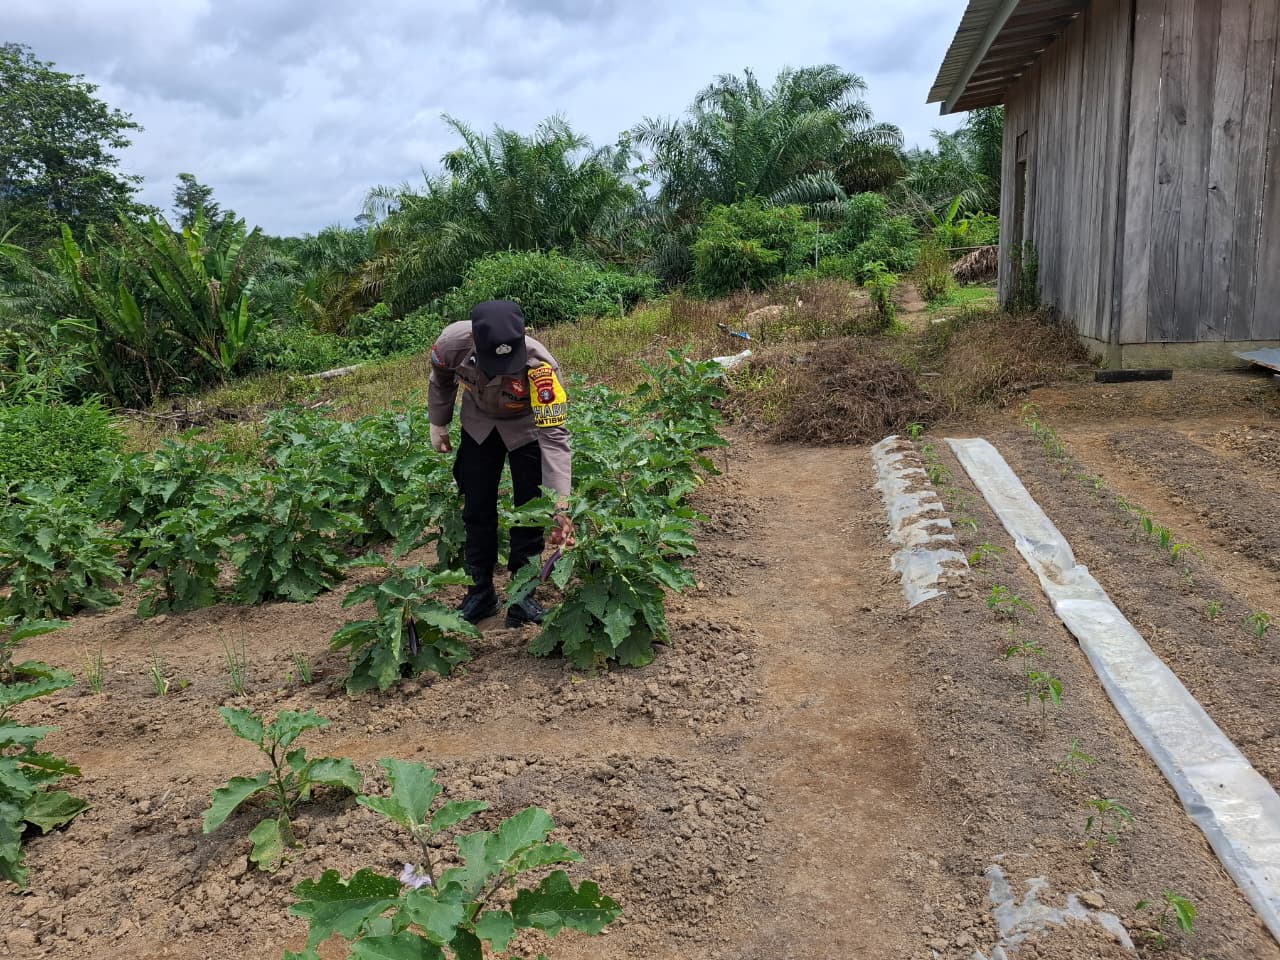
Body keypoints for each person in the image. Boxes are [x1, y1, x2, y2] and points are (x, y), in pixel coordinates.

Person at [428, 300, 576, 627]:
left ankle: (523, 597)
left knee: (531, 508)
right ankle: (480, 593)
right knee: (476, 506)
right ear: (474, 340)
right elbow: (441, 378)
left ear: (524, 336)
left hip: (526, 429)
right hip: (479, 423)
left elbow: (553, 437)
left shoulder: (541, 368)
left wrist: (559, 504)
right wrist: (439, 422)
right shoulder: (452, 343)